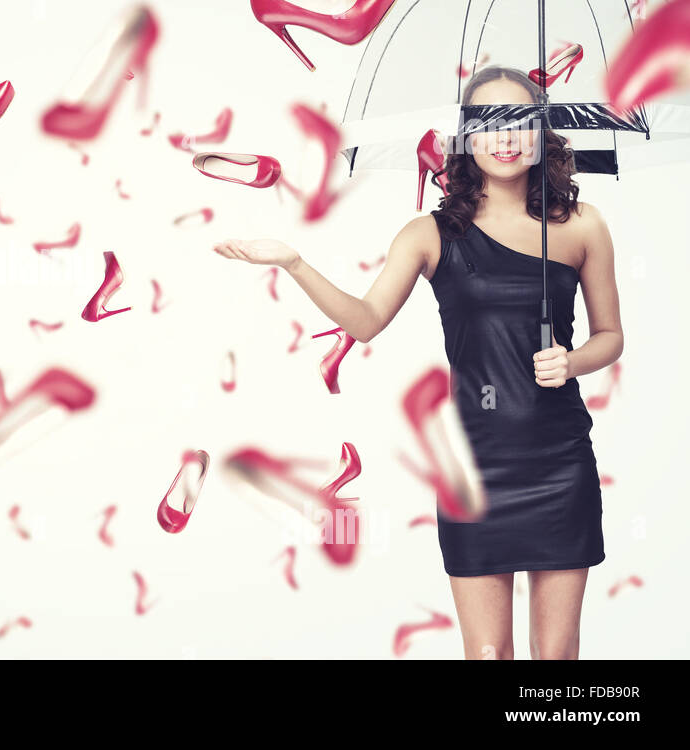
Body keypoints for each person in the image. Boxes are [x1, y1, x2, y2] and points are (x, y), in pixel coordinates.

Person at [213, 65, 623, 659]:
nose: (504, 136)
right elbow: (364, 320)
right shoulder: (429, 234)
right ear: (465, 137)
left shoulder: (582, 224)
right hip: (472, 471)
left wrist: (574, 360)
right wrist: (294, 263)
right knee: (488, 656)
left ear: (540, 132)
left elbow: (611, 335)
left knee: (556, 659)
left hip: (559, 462)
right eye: (487, 122)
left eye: (518, 120)